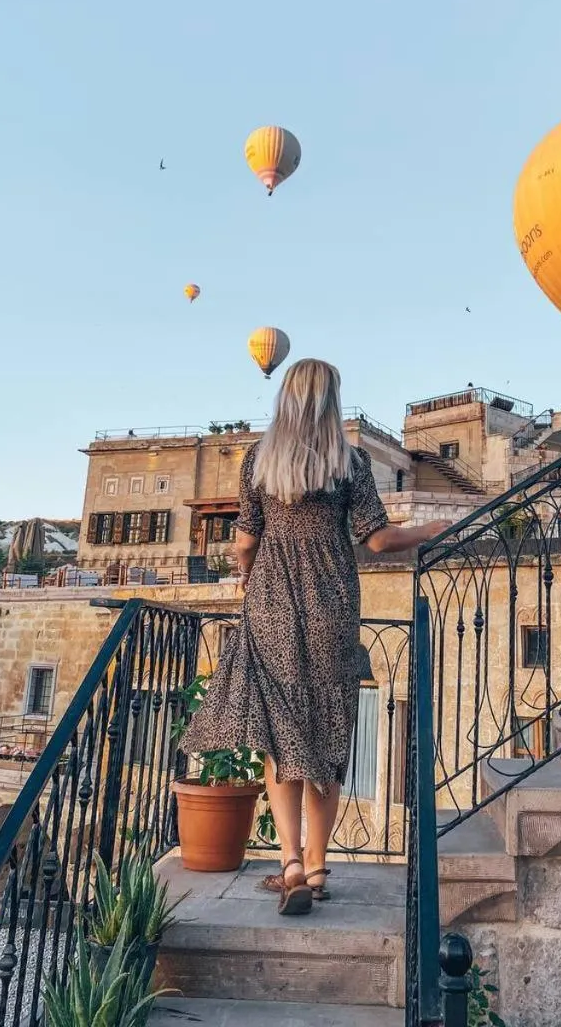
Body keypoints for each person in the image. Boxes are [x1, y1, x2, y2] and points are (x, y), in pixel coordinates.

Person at [178, 358, 450, 915]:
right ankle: (321, 867)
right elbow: (377, 540)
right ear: (330, 401)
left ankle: (291, 863)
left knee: (282, 734)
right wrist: (432, 529)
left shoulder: (260, 459)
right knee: (328, 728)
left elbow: (246, 541)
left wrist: (250, 583)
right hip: (332, 602)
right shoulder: (348, 461)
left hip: (272, 600)